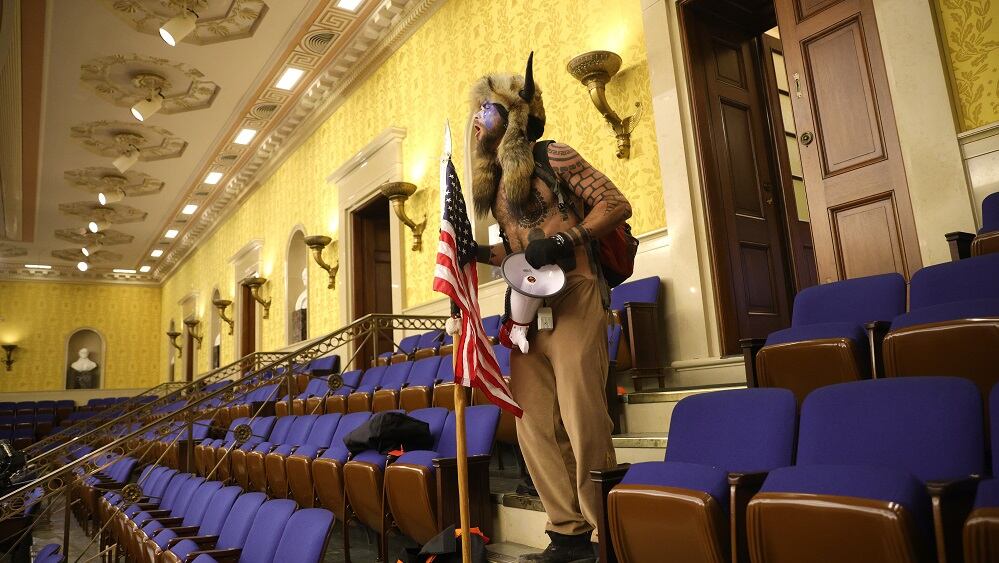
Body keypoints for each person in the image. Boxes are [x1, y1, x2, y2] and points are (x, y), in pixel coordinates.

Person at [469, 54, 632, 562]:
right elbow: (515, 250)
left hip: (577, 292)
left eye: (488, 110)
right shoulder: (495, 186)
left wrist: (569, 239)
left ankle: (608, 533)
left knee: (583, 416)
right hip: (526, 308)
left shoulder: (554, 156)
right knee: (532, 421)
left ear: (513, 115)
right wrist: (480, 254)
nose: (479, 119)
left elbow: (616, 203)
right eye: (477, 111)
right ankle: (566, 532)